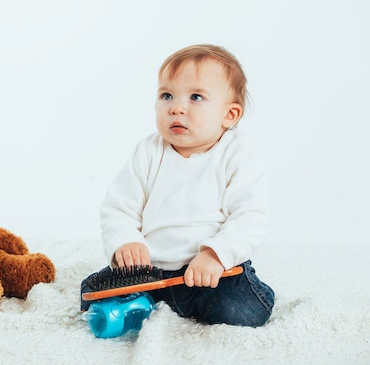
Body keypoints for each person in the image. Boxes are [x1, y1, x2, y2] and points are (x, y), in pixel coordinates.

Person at [81, 44, 274, 327]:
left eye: (196, 97)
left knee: (241, 310)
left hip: (214, 273)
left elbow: (251, 216)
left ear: (229, 115)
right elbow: (118, 208)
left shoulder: (237, 155)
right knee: (89, 292)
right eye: (166, 95)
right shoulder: (148, 151)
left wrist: (214, 255)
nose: (176, 108)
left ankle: (193, 301)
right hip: (153, 271)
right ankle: (147, 302)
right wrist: (126, 242)